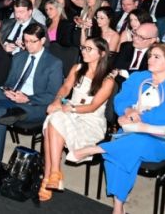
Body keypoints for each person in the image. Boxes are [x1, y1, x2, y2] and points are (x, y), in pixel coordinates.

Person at [73, 44, 165, 214]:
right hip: (131, 132)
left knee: (130, 145)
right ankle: (118, 207)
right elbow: (121, 99)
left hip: (163, 140)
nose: (150, 59)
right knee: (121, 152)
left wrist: (138, 116)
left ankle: (97, 149)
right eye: (150, 55)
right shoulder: (139, 77)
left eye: (156, 57)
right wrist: (128, 111)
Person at [0, 23, 64, 163]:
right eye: (26, 41)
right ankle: (12, 107)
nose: (28, 45)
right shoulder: (19, 57)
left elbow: (52, 95)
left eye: (33, 41)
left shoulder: (54, 63)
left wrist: (27, 99)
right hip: (13, 99)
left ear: (43, 40)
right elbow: (9, 82)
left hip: (34, 105)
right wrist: (7, 90)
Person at [38, 37, 115, 202]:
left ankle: (48, 176)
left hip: (91, 120)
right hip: (69, 113)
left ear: (102, 53)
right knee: (54, 118)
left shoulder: (107, 80)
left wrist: (71, 108)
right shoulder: (77, 68)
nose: (84, 52)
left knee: (53, 120)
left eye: (89, 49)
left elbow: (93, 106)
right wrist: (57, 100)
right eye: (83, 48)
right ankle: (54, 173)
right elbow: (66, 87)